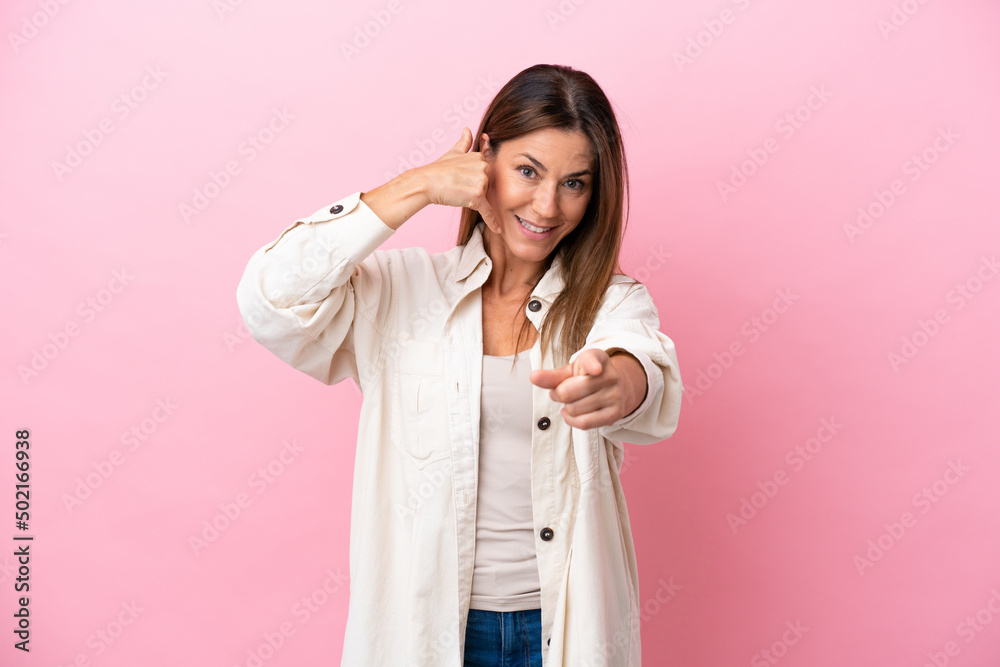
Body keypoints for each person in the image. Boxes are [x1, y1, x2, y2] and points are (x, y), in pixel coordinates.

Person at [236, 63, 683, 667]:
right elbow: (270, 300)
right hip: (427, 630)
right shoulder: (400, 292)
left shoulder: (611, 301)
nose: (548, 205)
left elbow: (644, 367)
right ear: (483, 160)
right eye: (528, 171)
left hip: (563, 628)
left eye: (574, 183)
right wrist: (416, 187)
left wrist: (620, 382)